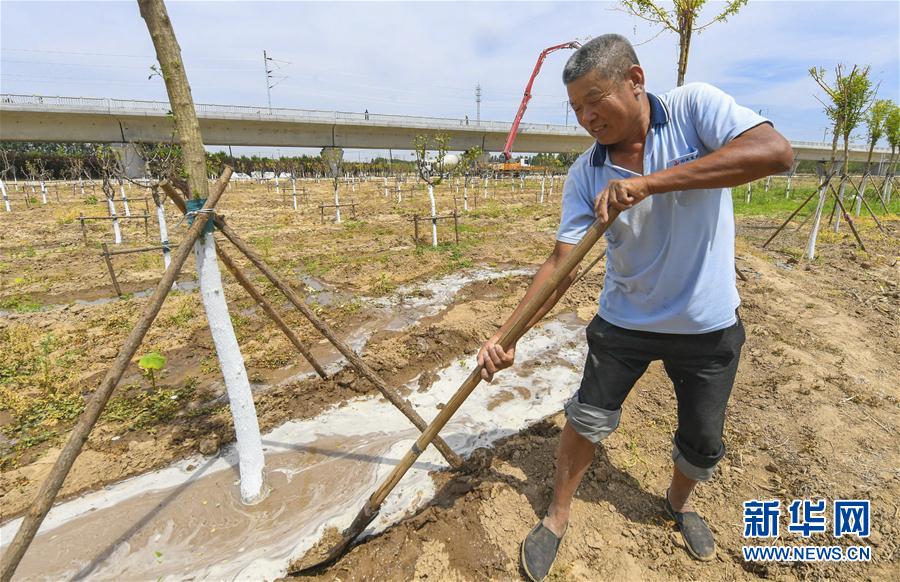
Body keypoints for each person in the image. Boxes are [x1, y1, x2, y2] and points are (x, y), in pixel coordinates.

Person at [476, 34, 792, 581]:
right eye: (577, 108)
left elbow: (775, 153)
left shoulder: (693, 110)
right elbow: (561, 264)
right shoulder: (586, 172)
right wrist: (507, 336)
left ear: (635, 80)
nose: (586, 117)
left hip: (706, 323)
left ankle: (678, 504)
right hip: (624, 320)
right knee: (586, 418)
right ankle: (557, 515)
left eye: (595, 100)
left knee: (703, 438)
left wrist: (651, 184)